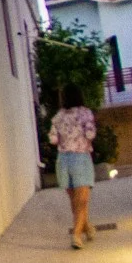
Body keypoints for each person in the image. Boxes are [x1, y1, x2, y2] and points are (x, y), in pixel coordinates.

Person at [50, 84, 99, 250]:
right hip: (80, 157)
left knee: (74, 200)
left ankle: (87, 228)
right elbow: (90, 134)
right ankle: (76, 235)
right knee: (82, 201)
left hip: (63, 160)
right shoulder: (85, 113)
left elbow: (53, 139)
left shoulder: (58, 116)